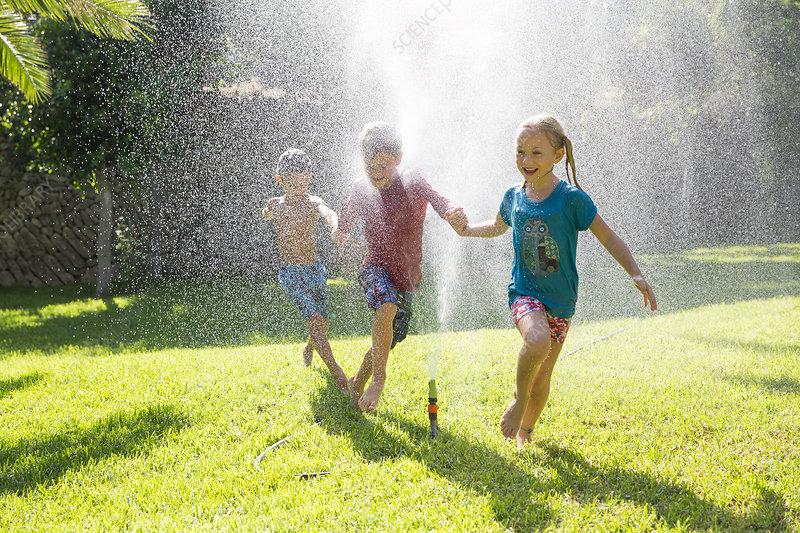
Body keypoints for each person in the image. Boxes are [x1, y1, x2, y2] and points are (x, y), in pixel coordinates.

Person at [454, 114, 657, 448]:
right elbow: (496, 226)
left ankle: (526, 432)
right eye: (520, 152)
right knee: (537, 340)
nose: (526, 160)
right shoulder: (514, 196)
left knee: (543, 375)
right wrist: (466, 230)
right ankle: (519, 401)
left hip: (562, 300)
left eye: (536, 152)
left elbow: (608, 237)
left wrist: (635, 272)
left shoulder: (571, 199)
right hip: (524, 292)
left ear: (557, 155)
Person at [334, 122, 466, 412]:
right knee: (387, 304)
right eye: (369, 163)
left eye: (383, 164)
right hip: (374, 268)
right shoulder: (360, 188)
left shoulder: (412, 181)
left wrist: (452, 210)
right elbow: (344, 218)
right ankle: (379, 380)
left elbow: (439, 200)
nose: (375, 171)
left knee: (388, 340)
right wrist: (340, 231)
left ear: (398, 158)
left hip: (406, 278)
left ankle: (357, 384)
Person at [263, 148, 349, 394]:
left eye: (303, 182)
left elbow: (328, 213)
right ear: (280, 180)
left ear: (310, 178)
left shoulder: (313, 203)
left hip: (315, 271)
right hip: (291, 274)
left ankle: (310, 347)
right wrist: (267, 212)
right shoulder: (276, 205)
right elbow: (266, 213)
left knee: (322, 323)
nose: (298, 187)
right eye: (292, 182)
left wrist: (335, 228)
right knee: (315, 320)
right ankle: (339, 376)